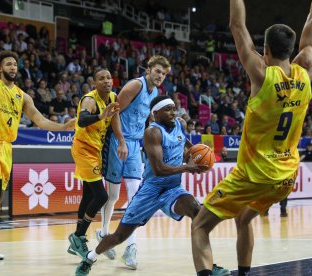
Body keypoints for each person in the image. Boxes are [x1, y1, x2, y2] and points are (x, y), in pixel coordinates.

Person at [191, 0, 312, 275]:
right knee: (243, 219)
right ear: (293, 50)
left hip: (252, 176)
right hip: (286, 177)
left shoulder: (262, 75)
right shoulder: (307, 71)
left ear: (264, 51)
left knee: (200, 226)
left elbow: (236, 25)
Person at [0, 0, 75, 263]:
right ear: (0, 68)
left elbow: (40, 120)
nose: (13, 67)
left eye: (15, 64)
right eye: (9, 64)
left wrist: (65, 126)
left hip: (6, 147)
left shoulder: (22, 96)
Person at [75, 96, 229, 276]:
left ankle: (208, 266)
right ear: (155, 114)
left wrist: (195, 155)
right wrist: (187, 167)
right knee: (119, 236)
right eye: (168, 109)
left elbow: (184, 143)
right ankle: (90, 258)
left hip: (173, 189)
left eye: (174, 108)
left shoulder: (180, 124)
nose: (173, 112)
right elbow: (159, 169)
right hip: (150, 191)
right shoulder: (152, 133)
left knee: (197, 211)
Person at [99, 55, 170, 267]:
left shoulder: (155, 93)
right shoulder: (134, 85)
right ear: (148, 70)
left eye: (164, 74)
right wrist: (120, 141)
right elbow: (114, 112)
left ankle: (131, 247)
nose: (160, 76)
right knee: (112, 195)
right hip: (117, 141)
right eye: (158, 71)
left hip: (135, 144)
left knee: (134, 194)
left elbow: (148, 120)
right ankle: (104, 233)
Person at [67, 69, 127, 259]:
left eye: (109, 77)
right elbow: (83, 120)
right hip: (83, 149)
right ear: (94, 82)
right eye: (101, 78)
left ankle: (76, 241)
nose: (106, 81)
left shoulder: (113, 97)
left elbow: (115, 121)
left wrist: (122, 141)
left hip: (96, 150)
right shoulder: (89, 100)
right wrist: (101, 117)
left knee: (88, 195)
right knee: (101, 196)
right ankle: (78, 237)